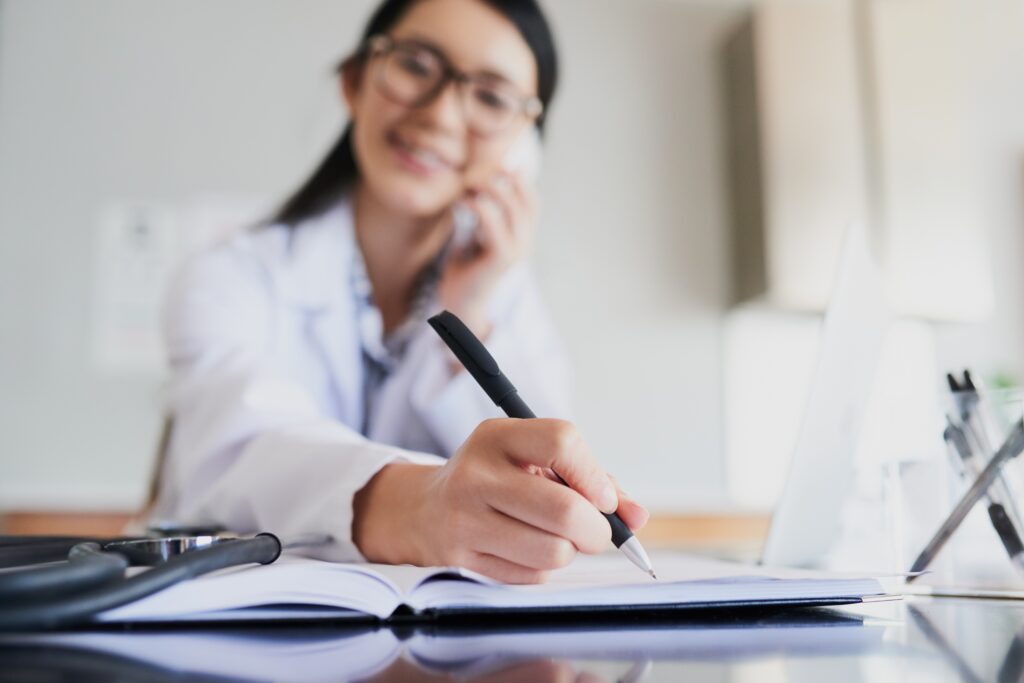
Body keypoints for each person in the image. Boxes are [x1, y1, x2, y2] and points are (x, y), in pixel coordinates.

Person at [152, 0, 648, 584]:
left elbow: (549, 470)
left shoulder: (505, 298)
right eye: (416, 65)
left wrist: (470, 312)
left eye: (490, 97)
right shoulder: (230, 276)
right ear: (356, 81)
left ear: (522, 145)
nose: (440, 116)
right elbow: (241, 452)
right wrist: (419, 505)